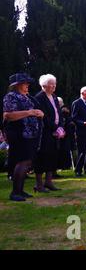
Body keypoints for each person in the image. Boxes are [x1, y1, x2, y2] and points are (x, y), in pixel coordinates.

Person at [3, 73, 44, 201]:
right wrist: (30, 112)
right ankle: (15, 192)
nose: (27, 85)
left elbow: (32, 111)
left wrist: (38, 113)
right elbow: (8, 115)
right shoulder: (11, 96)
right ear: (17, 85)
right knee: (22, 161)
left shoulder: (26, 97)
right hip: (18, 133)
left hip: (29, 134)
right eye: (25, 83)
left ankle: (20, 190)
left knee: (27, 162)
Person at [33, 74, 64, 192]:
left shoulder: (54, 97)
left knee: (52, 156)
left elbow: (59, 113)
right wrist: (55, 128)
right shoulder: (39, 98)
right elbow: (44, 117)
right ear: (44, 86)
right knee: (42, 157)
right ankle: (39, 184)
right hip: (44, 132)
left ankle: (49, 181)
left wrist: (61, 127)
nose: (54, 86)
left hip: (55, 131)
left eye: (55, 84)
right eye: (52, 84)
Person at [55, 98, 76, 175]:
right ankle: (62, 166)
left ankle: (65, 165)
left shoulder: (64, 111)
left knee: (66, 150)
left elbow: (68, 121)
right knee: (62, 150)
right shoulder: (59, 110)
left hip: (66, 133)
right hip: (61, 132)